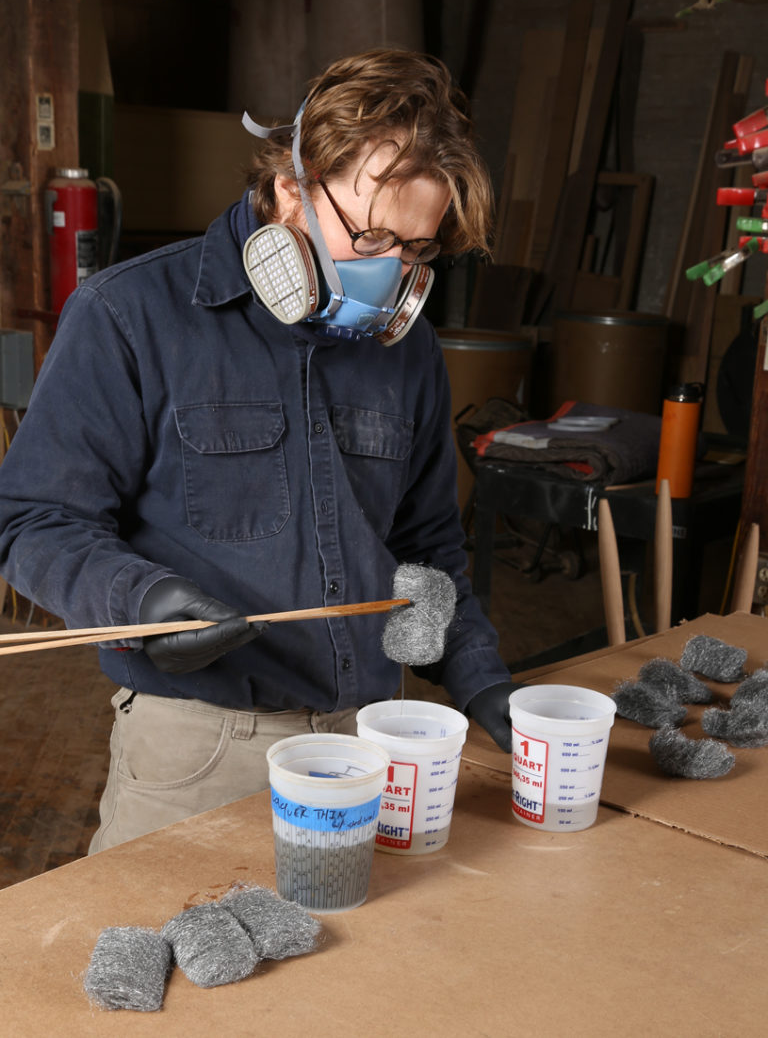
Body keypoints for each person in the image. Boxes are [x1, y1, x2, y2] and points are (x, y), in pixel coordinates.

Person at [0, 48, 519, 852]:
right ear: (290, 190)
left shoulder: (404, 350)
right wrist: (139, 601)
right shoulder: (130, 315)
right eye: (373, 235)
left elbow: (423, 550)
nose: (392, 272)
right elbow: (31, 520)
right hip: (198, 750)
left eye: (415, 251)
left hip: (365, 748)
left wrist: (476, 676)